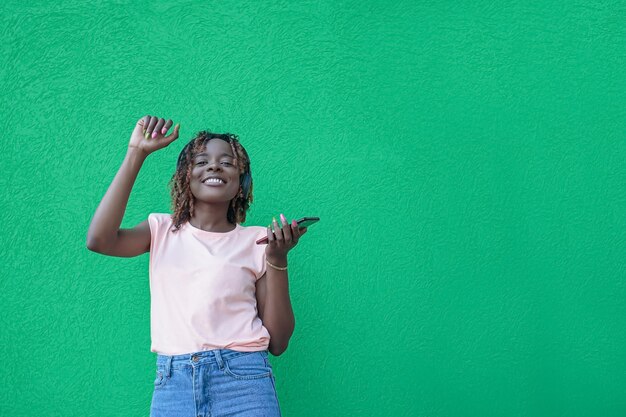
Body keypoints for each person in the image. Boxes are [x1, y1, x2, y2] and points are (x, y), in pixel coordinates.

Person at [86, 115, 307, 417]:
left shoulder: (258, 241)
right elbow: (99, 240)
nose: (214, 166)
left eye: (226, 162)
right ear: (185, 177)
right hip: (174, 384)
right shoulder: (160, 230)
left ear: (241, 184)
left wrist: (278, 259)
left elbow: (278, 342)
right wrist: (137, 152)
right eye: (201, 161)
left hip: (244, 383)